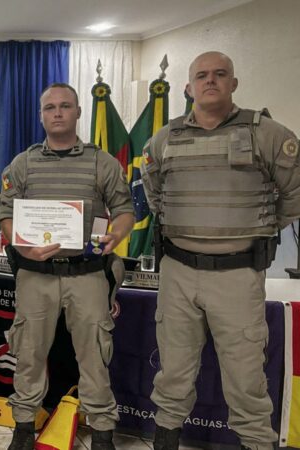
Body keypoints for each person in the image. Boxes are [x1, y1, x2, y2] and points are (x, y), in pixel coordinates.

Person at [142, 51, 300, 450]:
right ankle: (165, 439)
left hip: (238, 274)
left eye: (220, 74)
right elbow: (156, 197)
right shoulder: (164, 139)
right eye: (201, 75)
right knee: (173, 371)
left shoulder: (268, 134)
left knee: (246, 377)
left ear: (233, 83)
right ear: (188, 87)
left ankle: (255, 442)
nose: (210, 81)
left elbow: (294, 198)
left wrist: (253, 229)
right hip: (178, 272)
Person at [0, 83, 134, 450]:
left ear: (77, 112)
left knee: (93, 355)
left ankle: (102, 431)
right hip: (36, 276)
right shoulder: (23, 163)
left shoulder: (101, 161)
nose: (57, 113)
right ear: (41, 115)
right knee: (28, 354)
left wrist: (115, 236)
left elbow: (124, 210)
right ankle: (24, 426)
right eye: (50, 107)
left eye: (65, 106)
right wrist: (22, 246)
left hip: (86, 274)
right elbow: (5, 216)